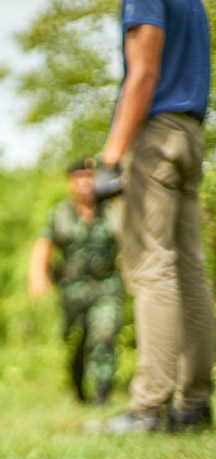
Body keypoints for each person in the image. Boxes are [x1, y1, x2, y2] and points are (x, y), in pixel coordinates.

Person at [87, 0, 213, 433]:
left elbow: (143, 74)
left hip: (155, 136)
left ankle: (148, 408)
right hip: (191, 134)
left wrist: (111, 156)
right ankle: (194, 405)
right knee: (190, 270)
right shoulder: (193, 3)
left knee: (151, 267)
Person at [28, 157, 124, 405]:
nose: (84, 183)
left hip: (106, 286)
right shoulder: (61, 213)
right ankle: (79, 391)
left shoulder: (112, 212)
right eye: (78, 178)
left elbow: (128, 244)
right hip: (73, 291)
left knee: (104, 334)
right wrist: (37, 276)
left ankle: (103, 395)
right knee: (76, 342)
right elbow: (44, 245)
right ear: (70, 182)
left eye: (89, 177)